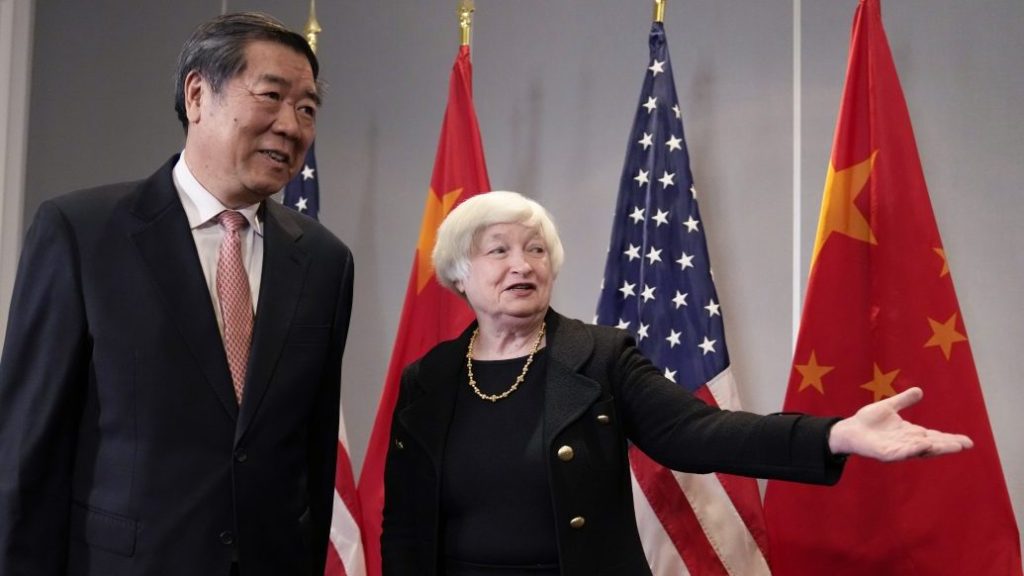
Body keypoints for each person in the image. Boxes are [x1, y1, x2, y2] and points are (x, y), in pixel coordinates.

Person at [380, 190, 973, 576]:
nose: (523, 264)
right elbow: (405, 525)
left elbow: (700, 431)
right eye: (499, 250)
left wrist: (834, 434)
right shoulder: (429, 379)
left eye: (536, 250)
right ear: (460, 273)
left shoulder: (599, 356)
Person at [0, 12, 353, 576]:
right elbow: (26, 452)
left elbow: (311, 456)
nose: (291, 126)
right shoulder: (82, 233)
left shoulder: (325, 261)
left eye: (307, 108)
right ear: (197, 95)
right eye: (271, 96)